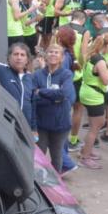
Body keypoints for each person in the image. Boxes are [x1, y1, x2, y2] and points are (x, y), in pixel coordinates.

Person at [77, 34, 108, 169]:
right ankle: (85, 157)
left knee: (94, 125)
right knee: (96, 126)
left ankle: (86, 150)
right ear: (106, 46)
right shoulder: (99, 60)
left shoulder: (91, 55)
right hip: (94, 95)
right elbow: (106, 80)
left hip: (87, 91)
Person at [33, 44, 74, 175]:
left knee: (57, 157)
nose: (53, 54)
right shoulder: (37, 74)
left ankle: (56, 183)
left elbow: (64, 94)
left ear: (62, 58)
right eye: (50, 52)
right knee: (39, 156)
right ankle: (39, 184)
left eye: (57, 52)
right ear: (46, 55)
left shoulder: (66, 74)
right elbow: (33, 97)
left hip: (60, 124)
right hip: (41, 124)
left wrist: (42, 92)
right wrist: (54, 97)